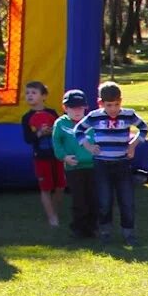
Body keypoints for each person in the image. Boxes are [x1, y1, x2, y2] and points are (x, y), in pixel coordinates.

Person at [73, 81, 148, 247]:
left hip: (122, 164)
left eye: (116, 104)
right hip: (102, 165)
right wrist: (88, 146)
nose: (113, 109)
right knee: (104, 200)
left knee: (127, 200)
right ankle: (105, 231)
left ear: (121, 101)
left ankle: (129, 233)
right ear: (101, 103)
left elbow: (144, 128)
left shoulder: (128, 115)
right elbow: (78, 130)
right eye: (109, 105)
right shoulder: (95, 116)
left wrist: (133, 145)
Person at [52, 89, 98, 238]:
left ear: (85, 108)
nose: (77, 111)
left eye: (80, 107)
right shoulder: (60, 123)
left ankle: (93, 227)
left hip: (93, 166)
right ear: (65, 108)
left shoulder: (91, 122)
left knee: (93, 197)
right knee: (79, 199)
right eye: (73, 108)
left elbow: (100, 140)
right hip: (74, 167)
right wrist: (64, 157)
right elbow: (56, 142)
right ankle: (79, 228)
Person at [20, 80, 64, 229]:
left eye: (33, 93)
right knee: (45, 188)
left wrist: (52, 131)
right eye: (27, 93)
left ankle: (54, 210)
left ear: (43, 96)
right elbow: (28, 139)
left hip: (57, 155)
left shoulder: (51, 113)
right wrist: (38, 133)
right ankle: (52, 217)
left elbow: (60, 131)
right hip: (41, 157)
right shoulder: (26, 118)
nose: (30, 96)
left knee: (60, 186)